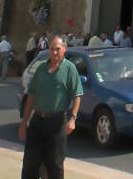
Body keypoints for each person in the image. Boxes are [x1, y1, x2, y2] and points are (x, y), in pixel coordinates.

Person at [19, 33, 83, 179]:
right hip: (37, 121)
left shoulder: (70, 69)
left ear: (64, 49)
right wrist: (24, 123)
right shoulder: (41, 69)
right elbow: (31, 96)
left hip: (57, 123)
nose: (54, 52)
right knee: (30, 163)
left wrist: (73, 118)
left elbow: (77, 96)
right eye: (52, 49)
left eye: (58, 49)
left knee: (54, 164)